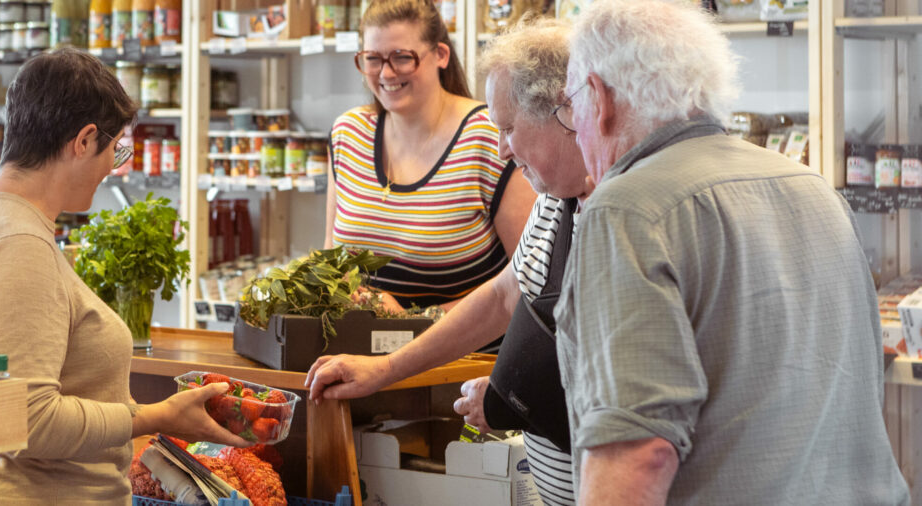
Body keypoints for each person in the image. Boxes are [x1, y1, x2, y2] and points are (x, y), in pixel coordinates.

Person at [555, 1, 910, 504]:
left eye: (571, 105)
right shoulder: (813, 187)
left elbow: (638, 451)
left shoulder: (625, 209)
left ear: (598, 95)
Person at [0, 48, 248, 504]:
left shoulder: (1, 222)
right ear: (83, 140)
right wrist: (157, 416)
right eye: (116, 147)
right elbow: (29, 419)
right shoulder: (16, 245)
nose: (113, 166)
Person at [307, 18, 588, 505]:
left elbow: (624, 387)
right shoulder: (556, 200)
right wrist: (383, 369)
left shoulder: (627, 211)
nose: (502, 147)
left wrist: (509, 391)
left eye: (509, 129)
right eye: (372, 59)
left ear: (568, 111)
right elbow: (506, 294)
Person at [325, 0, 536, 316]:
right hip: (358, 358)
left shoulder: (489, 137)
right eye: (372, 59)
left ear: (441, 54)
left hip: (467, 359)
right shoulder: (348, 133)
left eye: (402, 58)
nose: (386, 73)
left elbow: (530, 282)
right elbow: (330, 259)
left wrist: (412, 322)